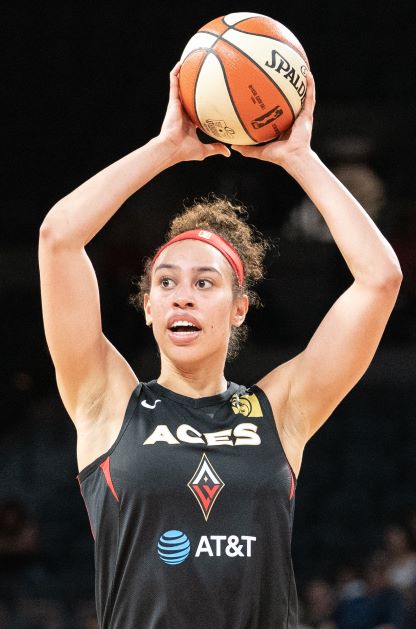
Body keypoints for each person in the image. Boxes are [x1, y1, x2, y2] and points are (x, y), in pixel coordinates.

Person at [38, 62, 402, 629]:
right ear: (149, 307)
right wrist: (164, 149)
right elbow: (58, 239)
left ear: (239, 309)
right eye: (166, 283)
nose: (183, 296)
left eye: (204, 283)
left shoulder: (280, 408)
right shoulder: (106, 400)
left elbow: (380, 278)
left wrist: (298, 158)